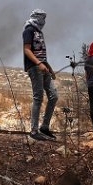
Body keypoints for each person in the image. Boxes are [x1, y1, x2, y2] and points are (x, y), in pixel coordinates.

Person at [22, 9, 58, 141]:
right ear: (37, 17)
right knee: (38, 97)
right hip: (34, 67)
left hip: (43, 67)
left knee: (54, 96)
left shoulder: (39, 32)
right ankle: (34, 130)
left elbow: (41, 53)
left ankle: (44, 127)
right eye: (42, 18)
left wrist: (49, 67)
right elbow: (26, 49)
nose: (44, 21)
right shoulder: (29, 30)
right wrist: (38, 64)